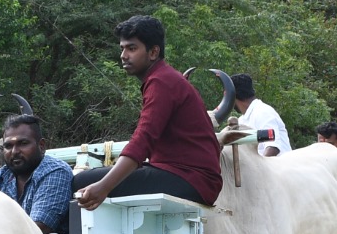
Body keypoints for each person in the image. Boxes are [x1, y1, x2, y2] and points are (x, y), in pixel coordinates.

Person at [72, 15, 224, 211]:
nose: (123, 55)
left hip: (191, 178)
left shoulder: (161, 81)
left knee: (80, 182)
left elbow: (142, 141)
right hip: (185, 175)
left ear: (153, 52)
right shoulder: (163, 78)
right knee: (93, 179)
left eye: (132, 48)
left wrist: (103, 187)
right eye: (122, 48)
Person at [231, 73, 292, 156]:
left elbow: (273, 148)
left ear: (233, 95)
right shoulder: (241, 120)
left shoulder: (262, 112)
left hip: (278, 168)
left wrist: (256, 169)